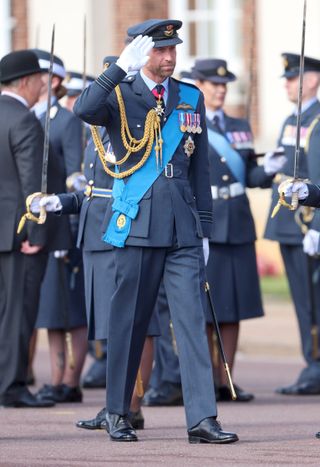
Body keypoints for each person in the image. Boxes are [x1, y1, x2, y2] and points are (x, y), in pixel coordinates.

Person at [73, 19, 239, 443]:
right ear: (139, 52)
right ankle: (117, 411)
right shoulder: (118, 93)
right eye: (159, 51)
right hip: (139, 221)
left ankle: (202, 418)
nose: (168, 58)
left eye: (172, 50)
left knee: (190, 322)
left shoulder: (189, 97)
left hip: (182, 224)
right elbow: (84, 109)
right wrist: (116, 71)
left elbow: (199, 166)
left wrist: (203, 229)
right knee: (129, 321)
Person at [31, 56, 161, 429]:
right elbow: (93, 189)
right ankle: (115, 404)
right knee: (108, 320)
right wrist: (63, 203)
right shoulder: (97, 131)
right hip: (94, 229)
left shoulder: (140, 125)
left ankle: (131, 405)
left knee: (138, 319)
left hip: (123, 228)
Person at [191, 58, 286, 402]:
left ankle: (227, 380)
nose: (220, 90)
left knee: (233, 307)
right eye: (213, 84)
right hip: (207, 221)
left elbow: (251, 177)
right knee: (205, 308)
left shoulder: (239, 125)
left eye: (224, 85)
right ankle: (204, 381)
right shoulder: (187, 121)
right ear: (197, 84)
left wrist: (270, 168)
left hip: (239, 222)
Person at [31, 49, 87, 403]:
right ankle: (54, 377)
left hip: (64, 224)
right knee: (51, 308)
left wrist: (69, 227)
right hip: (41, 224)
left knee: (74, 307)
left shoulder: (66, 122)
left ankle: (71, 380)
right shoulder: (32, 118)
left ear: (53, 81)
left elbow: (75, 179)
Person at [0, 50, 54, 408]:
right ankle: (12, 384)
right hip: (18, 233)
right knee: (17, 311)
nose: (42, 86)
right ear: (24, 82)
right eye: (39, 80)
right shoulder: (24, 120)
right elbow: (33, 184)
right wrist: (35, 234)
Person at [264, 53, 320, 395]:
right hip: (288, 221)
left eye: (293, 77)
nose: (287, 84)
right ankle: (310, 361)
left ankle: (316, 364)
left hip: (307, 222)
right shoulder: (292, 118)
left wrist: (318, 227)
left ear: (312, 79)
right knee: (302, 299)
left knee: (313, 300)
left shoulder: (317, 119)